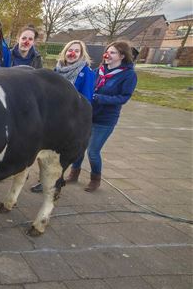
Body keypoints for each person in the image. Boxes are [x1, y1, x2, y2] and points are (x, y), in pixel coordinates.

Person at [69, 40, 137, 192]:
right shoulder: (99, 70)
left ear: (122, 56)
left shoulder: (128, 75)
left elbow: (124, 97)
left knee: (93, 151)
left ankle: (95, 179)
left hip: (105, 119)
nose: (107, 55)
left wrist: (100, 98)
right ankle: (74, 173)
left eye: (112, 53)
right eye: (107, 51)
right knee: (80, 146)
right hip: (89, 115)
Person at [30, 40, 95, 193]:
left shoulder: (86, 72)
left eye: (76, 51)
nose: (72, 53)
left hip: (70, 119)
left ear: (81, 54)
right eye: (69, 50)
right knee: (47, 152)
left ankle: (54, 182)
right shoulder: (57, 70)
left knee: (60, 154)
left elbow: (86, 99)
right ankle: (45, 179)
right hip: (53, 118)